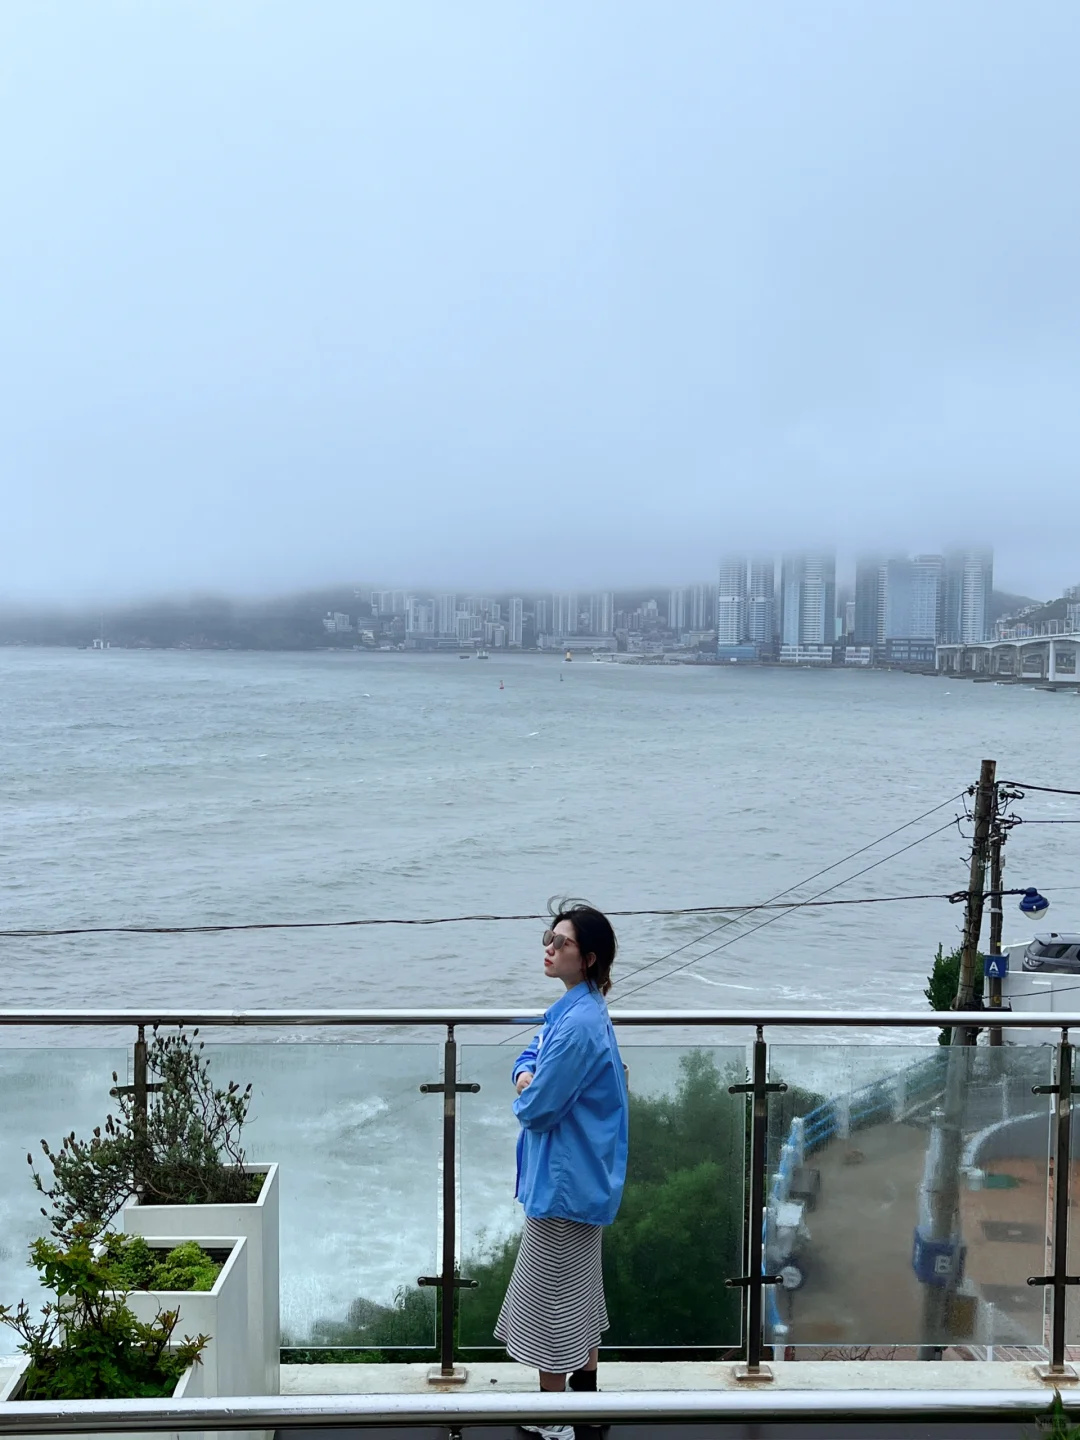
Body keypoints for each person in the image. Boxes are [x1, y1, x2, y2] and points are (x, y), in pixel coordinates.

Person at [495, 902, 629, 1440]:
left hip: (565, 1181)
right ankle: (588, 1399)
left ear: (588, 958)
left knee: (551, 1296)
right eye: (548, 938)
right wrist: (526, 1070)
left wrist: (525, 1087)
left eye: (561, 942)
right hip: (582, 1175)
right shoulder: (578, 1009)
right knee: (580, 1288)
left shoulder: (577, 1024)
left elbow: (539, 1108)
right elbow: (531, 1052)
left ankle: (554, 1418)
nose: (549, 948)